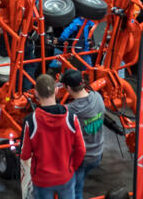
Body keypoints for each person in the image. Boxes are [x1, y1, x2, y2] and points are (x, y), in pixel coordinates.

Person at [19, 73, 85, 199]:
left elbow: (25, 154)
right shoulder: (71, 118)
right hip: (65, 177)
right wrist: (70, 168)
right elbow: (81, 150)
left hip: (42, 180)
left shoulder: (31, 121)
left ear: (36, 93)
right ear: (56, 90)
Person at [62, 69, 108, 199]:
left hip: (82, 158)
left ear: (68, 88)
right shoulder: (97, 97)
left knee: (75, 191)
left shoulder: (71, 110)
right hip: (97, 153)